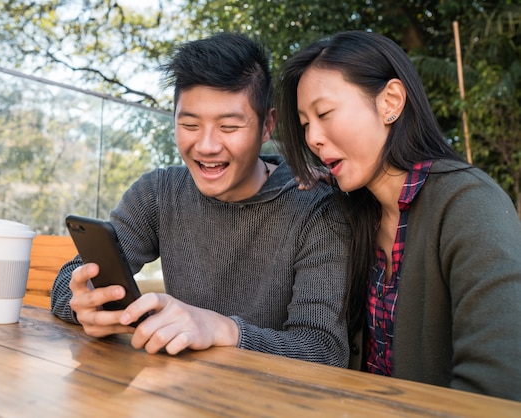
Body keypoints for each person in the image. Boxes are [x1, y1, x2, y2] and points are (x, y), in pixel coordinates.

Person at [51, 32, 351, 366]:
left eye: (228, 127)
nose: (207, 146)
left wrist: (224, 331)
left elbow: (323, 350)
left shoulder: (316, 208)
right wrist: (86, 304)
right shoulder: (158, 193)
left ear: (267, 125)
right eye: (190, 124)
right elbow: (67, 282)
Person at [275, 30, 521, 401]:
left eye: (324, 113)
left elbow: (500, 381)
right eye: (306, 123)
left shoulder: (468, 204)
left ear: (390, 101)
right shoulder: (355, 213)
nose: (312, 139)